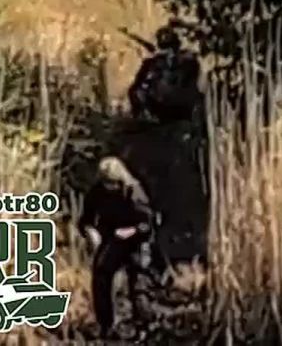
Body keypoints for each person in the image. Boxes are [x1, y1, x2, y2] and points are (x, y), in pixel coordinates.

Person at [78, 156, 166, 339]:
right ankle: (106, 324)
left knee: (138, 282)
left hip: (137, 240)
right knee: (101, 273)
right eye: (106, 182)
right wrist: (90, 231)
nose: (109, 187)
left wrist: (132, 231)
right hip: (113, 239)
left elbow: (147, 224)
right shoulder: (97, 192)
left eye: (112, 183)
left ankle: (146, 325)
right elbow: (85, 219)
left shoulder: (134, 191)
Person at [127, 25, 202, 124]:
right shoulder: (190, 59)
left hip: (169, 107)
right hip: (181, 107)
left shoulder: (152, 62)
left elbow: (135, 88)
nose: (170, 55)